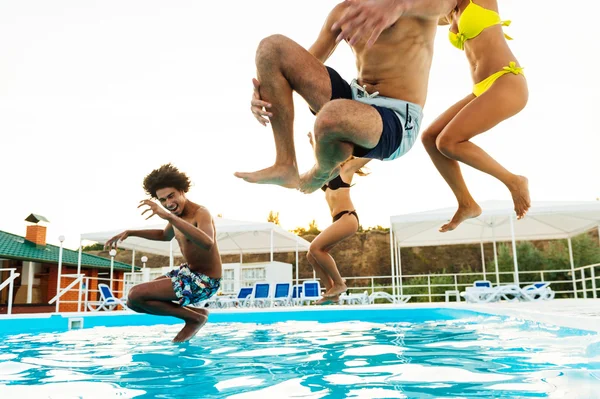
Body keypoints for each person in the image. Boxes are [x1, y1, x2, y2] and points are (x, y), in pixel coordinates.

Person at [234, 0, 456, 193]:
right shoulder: (344, 12)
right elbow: (298, 68)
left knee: (330, 118)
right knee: (271, 49)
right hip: (355, 99)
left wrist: (399, 4)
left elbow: (451, 2)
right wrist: (266, 91)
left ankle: (322, 170)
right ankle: (285, 163)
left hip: (397, 119)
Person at [420, 0, 530, 232]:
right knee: (430, 138)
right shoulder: (449, 11)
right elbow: (417, 10)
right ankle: (466, 203)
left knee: (448, 142)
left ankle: (513, 181)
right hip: (481, 89)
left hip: (506, 81)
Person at [104, 163, 222, 342]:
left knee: (136, 294)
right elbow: (164, 235)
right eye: (162, 200)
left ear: (182, 190)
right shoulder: (178, 217)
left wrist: (168, 216)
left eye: (171, 196)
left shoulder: (201, 213)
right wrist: (131, 232)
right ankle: (197, 314)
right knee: (133, 302)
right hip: (188, 273)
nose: (168, 204)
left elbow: (207, 242)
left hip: (205, 281)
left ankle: (194, 318)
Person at [305, 132, 370, 305]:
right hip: (339, 220)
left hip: (347, 218)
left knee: (315, 247)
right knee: (312, 255)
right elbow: (321, 161)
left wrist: (382, 140)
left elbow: (371, 154)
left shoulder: (347, 168)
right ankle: (331, 292)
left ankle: (339, 283)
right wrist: (314, 144)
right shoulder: (327, 172)